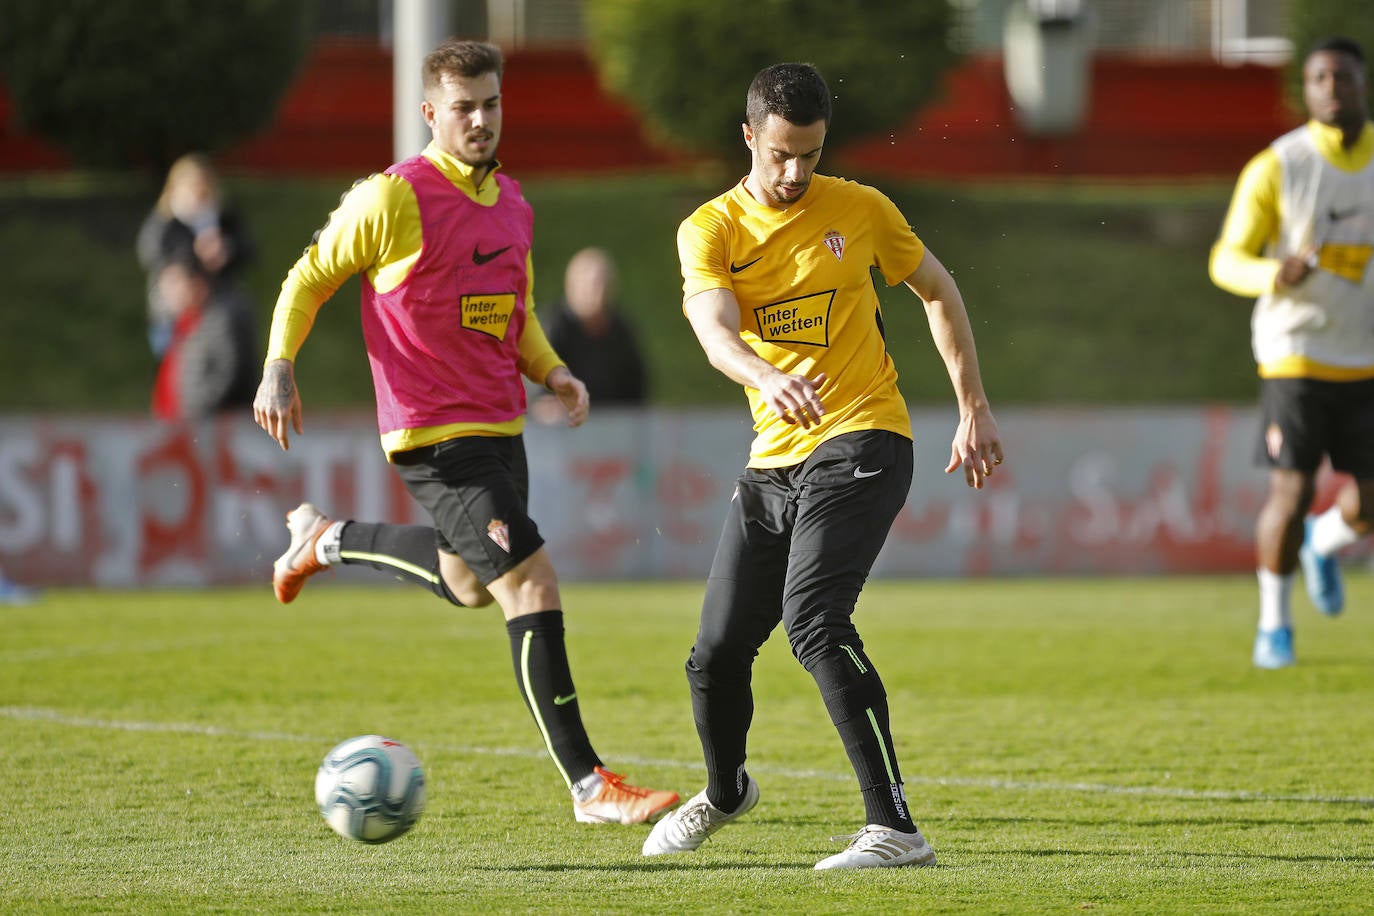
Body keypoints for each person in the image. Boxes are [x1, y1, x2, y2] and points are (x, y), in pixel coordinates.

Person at [252, 38, 678, 826]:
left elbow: (514, 319)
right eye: (462, 109)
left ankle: (325, 539)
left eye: (490, 105)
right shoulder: (392, 198)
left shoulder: (513, 203)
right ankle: (590, 785)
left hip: (501, 428)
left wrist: (552, 372)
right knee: (532, 581)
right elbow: (308, 277)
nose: (480, 121)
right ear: (429, 114)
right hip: (433, 435)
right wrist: (280, 363)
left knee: (469, 584)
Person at [641, 63, 1004, 869]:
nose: (795, 172)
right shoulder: (709, 229)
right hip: (773, 461)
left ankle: (895, 828)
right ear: (749, 138)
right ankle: (726, 791)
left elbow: (938, 291)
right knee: (714, 655)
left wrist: (973, 406)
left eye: (809, 154)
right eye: (779, 154)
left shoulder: (862, 208)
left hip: (865, 437)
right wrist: (764, 375)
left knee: (814, 622)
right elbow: (711, 327)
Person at [1209, 36, 1374, 669]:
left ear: (1362, 85)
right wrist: (1274, 273)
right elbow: (1226, 259)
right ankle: (1274, 626)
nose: (1333, 88)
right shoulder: (1279, 165)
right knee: (1294, 488)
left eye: (1344, 78)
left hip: (1364, 353)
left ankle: (1323, 545)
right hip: (1296, 351)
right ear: (1306, 90)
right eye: (1320, 79)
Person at [137, 153, 255, 357]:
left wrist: (226, 251)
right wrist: (195, 254)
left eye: (203, 190)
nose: (197, 197)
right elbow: (152, 253)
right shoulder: (165, 221)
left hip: (217, 310)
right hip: (174, 314)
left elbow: (248, 250)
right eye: (191, 189)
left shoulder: (222, 218)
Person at [150, 258, 258, 422]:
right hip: (181, 430)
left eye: (174, 283)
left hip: (215, 431)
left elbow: (226, 377)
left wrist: (194, 417)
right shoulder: (182, 325)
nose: (166, 292)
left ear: (198, 283)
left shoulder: (222, 321)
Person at [538, 247, 648, 408]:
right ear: (570, 286)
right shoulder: (552, 327)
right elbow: (540, 395)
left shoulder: (620, 329)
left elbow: (637, 387)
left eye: (603, 284)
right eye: (590, 285)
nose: (598, 293)